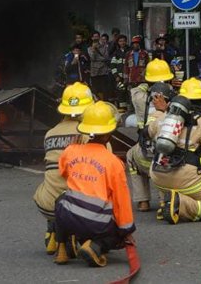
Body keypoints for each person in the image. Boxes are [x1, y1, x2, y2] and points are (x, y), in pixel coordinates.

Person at [53, 101, 135, 267]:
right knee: (117, 233)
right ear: (108, 134)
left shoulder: (70, 150)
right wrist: (126, 231)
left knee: (60, 201)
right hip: (95, 224)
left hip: (67, 217)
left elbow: (63, 172)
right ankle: (94, 247)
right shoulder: (113, 162)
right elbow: (121, 202)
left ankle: (61, 248)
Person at [33, 82, 96, 255]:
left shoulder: (50, 133)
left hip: (46, 204)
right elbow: (106, 168)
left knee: (52, 179)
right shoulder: (87, 133)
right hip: (73, 206)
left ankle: (54, 228)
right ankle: (80, 234)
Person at [149, 78, 201, 224]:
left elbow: (148, 132)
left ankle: (166, 202)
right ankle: (179, 204)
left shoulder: (165, 117)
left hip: (158, 174)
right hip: (188, 179)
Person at [126, 59, 175, 212]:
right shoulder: (174, 99)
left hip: (147, 154)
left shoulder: (138, 97)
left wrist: (144, 84)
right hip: (172, 156)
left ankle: (143, 201)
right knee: (164, 161)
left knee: (130, 156)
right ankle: (164, 201)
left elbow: (136, 90)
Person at [87, 31, 111, 100]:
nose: (96, 38)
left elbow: (106, 57)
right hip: (94, 71)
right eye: (94, 36)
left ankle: (105, 102)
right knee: (96, 89)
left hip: (103, 70)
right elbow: (92, 58)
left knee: (105, 89)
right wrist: (94, 50)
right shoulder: (89, 48)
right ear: (92, 38)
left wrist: (99, 59)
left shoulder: (104, 46)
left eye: (97, 36)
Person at [109, 35, 130, 109]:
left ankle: (129, 108)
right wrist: (116, 76)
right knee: (120, 92)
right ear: (118, 42)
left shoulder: (130, 51)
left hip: (129, 77)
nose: (122, 42)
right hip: (120, 77)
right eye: (120, 41)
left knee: (129, 92)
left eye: (124, 41)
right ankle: (122, 109)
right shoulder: (116, 53)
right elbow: (112, 66)